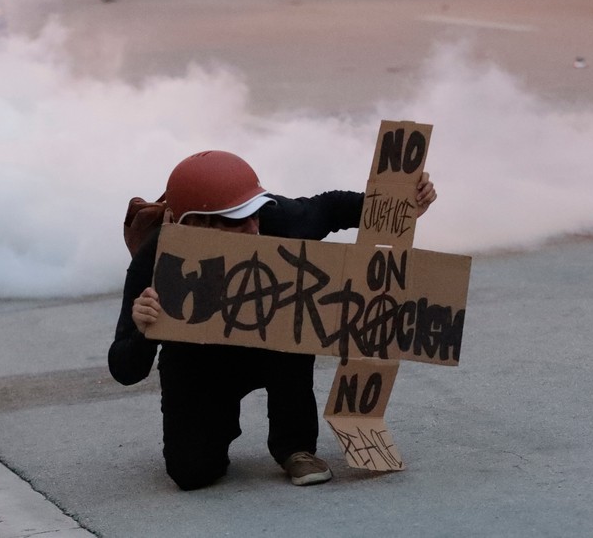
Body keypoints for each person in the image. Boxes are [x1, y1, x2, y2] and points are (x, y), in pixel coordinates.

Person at [108, 150, 436, 490]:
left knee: (295, 310)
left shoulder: (277, 220)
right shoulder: (155, 260)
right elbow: (124, 369)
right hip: (198, 364)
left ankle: (294, 446)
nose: (253, 227)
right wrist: (144, 332)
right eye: (236, 219)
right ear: (195, 225)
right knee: (192, 474)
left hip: (272, 351)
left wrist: (402, 205)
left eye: (255, 212)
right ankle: (216, 427)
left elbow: (330, 207)